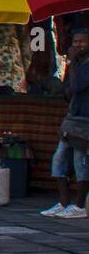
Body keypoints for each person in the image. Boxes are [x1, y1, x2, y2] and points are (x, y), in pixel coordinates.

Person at [43, 27, 89, 218]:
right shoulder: (78, 64)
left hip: (85, 120)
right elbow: (68, 92)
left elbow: (78, 86)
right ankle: (63, 203)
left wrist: (69, 62)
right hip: (72, 118)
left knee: (80, 162)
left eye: (82, 41)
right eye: (75, 41)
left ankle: (79, 205)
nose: (77, 45)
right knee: (59, 159)